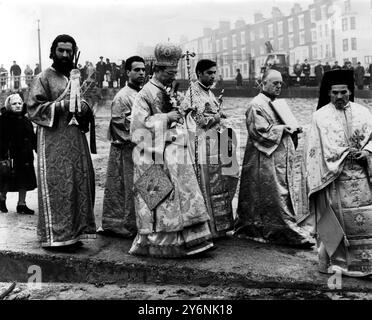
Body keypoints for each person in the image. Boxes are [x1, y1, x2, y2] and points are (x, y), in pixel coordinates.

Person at [129, 43, 214, 258]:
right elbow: (137, 128)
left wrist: (184, 115)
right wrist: (166, 118)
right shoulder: (145, 94)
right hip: (152, 155)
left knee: (183, 195)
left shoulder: (169, 89)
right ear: (157, 70)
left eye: (175, 72)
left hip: (174, 151)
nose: (173, 75)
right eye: (170, 72)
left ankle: (190, 238)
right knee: (161, 198)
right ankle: (162, 242)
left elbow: (178, 119)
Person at [27, 34, 96, 250]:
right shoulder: (43, 77)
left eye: (69, 51)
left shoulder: (75, 77)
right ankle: (56, 236)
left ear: (74, 52)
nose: (65, 55)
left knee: (79, 183)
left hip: (76, 139)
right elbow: (33, 108)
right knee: (60, 186)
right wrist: (62, 106)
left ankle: (74, 234)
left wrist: (85, 109)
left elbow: (86, 106)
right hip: (53, 141)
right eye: (61, 51)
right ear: (53, 52)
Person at [305, 69, 372, 277]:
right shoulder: (320, 116)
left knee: (367, 219)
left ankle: (367, 263)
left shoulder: (364, 112)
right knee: (335, 220)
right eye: (335, 93)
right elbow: (315, 151)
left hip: (362, 177)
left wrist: (367, 152)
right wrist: (344, 154)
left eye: (343, 92)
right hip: (334, 178)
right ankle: (339, 263)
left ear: (350, 92)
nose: (340, 97)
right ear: (328, 93)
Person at [234, 69, 312, 247]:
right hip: (263, 159)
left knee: (280, 191)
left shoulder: (275, 103)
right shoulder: (256, 105)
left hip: (278, 156)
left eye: (280, 83)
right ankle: (274, 230)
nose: (278, 86)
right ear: (263, 83)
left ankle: (278, 226)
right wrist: (282, 129)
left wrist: (293, 128)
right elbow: (259, 132)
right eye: (275, 83)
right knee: (272, 192)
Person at [181, 59, 238, 239]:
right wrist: (218, 117)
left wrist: (220, 116)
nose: (213, 76)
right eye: (209, 73)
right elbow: (198, 121)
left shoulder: (208, 92)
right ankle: (208, 227)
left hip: (214, 143)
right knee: (206, 184)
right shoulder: (192, 93)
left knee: (220, 183)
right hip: (201, 146)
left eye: (214, 73)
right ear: (199, 73)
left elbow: (213, 114)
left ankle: (220, 225)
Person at [99, 56, 146, 238]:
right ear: (127, 72)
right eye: (136, 70)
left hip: (144, 147)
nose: (141, 73)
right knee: (128, 187)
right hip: (127, 150)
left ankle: (147, 221)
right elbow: (121, 125)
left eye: (143, 70)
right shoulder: (122, 96)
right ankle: (124, 224)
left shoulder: (143, 93)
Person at [0, 93, 37, 214]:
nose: (17, 106)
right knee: (6, 178)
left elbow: (32, 137)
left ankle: (22, 204)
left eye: (20, 103)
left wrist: (37, 149)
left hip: (25, 157)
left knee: (24, 180)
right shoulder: (3, 120)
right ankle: (1, 200)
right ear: (9, 105)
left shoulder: (26, 120)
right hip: (10, 156)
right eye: (14, 103)